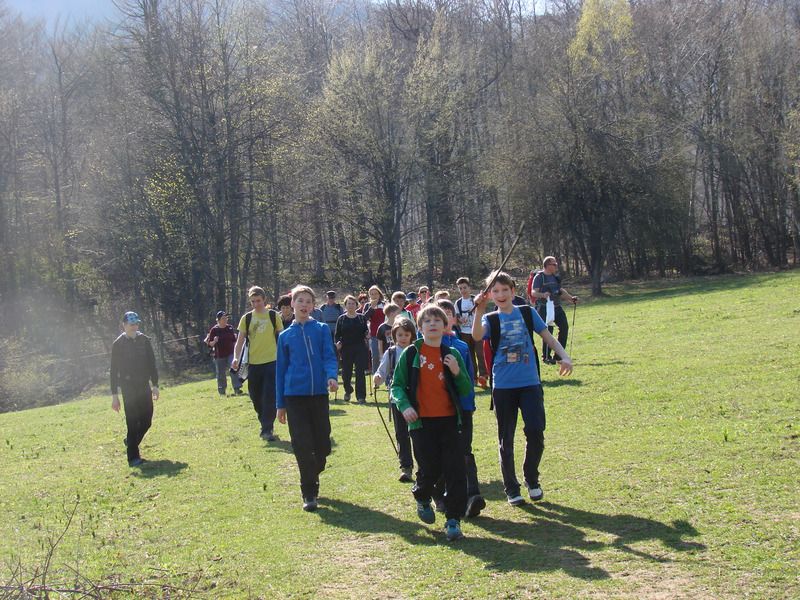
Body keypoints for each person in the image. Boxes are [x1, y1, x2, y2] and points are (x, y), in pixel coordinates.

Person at [472, 271, 573, 506]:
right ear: (489, 295)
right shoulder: (490, 319)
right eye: (495, 291)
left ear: (513, 291)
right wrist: (479, 309)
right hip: (504, 387)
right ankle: (511, 487)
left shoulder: (526, 313)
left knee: (536, 431)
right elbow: (477, 335)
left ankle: (532, 478)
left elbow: (548, 337)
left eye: (504, 290)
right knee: (506, 439)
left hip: (530, 384)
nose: (500, 295)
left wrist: (564, 356)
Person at [391, 305, 473, 542]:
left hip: (450, 422)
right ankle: (422, 496)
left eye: (438, 319)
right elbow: (397, 385)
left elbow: (466, 389)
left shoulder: (452, 354)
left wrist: (457, 372)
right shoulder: (410, 354)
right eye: (427, 321)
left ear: (445, 325)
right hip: (421, 423)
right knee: (430, 469)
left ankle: (453, 520)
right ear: (420, 327)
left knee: (455, 470)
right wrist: (405, 406)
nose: (433, 323)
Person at [276, 285, 339, 512]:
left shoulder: (321, 329)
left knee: (323, 445)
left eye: (308, 301)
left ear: (313, 306)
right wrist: (280, 404)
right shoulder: (284, 336)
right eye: (300, 301)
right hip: (294, 397)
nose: (304, 305)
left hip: (319, 395)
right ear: (292, 304)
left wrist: (331, 377)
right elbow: (280, 371)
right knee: (301, 445)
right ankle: (309, 492)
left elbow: (329, 356)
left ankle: (313, 471)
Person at [435, 299, 485, 518]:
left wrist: (469, 404)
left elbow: (468, 379)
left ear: (454, 319)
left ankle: (472, 495)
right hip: (435, 410)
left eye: (448, 314)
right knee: (439, 453)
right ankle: (439, 495)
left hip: (462, 409)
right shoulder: (422, 346)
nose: (443, 320)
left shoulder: (462, 347)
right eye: (438, 316)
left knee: (465, 451)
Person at [231, 286, 283, 441]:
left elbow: (281, 338)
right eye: (253, 301)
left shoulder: (273, 316)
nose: (256, 304)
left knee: (269, 396)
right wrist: (235, 357)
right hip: (253, 363)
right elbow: (239, 341)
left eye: (258, 301)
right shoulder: (246, 319)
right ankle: (264, 420)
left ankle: (267, 429)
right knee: (255, 396)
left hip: (272, 362)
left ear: (264, 299)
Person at [110, 311, 160, 467]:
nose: (134, 327)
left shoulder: (145, 341)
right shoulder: (117, 345)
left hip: (144, 385)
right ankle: (133, 458)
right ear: (124, 325)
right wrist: (114, 395)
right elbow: (113, 371)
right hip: (128, 388)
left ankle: (130, 442)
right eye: (131, 324)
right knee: (132, 422)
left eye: (136, 324)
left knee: (146, 420)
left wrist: (155, 385)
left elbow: (152, 363)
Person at [372, 317, 417, 483]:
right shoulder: (390, 352)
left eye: (406, 334)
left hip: (416, 398)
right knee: (401, 434)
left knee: (418, 433)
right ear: (394, 336)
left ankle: (425, 464)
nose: (403, 338)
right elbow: (382, 371)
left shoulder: (417, 350)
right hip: (397, 399)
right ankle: (406, 467)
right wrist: (378, 377)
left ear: (412, 335)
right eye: (400, 335)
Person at [527, 257, 578, 364]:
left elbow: (560, 291)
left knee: (564, 328)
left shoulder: (556, 277)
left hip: (557, 307)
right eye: (554, 264)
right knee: (548, 332)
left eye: (556, 264)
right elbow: (533, 293)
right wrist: (543, 295)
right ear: (547, 265)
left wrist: (571, 298)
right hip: (544, 308)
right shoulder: (539, 277)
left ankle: (559, 356)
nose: (556, 266)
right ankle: (546, 357)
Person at [335, 295, 369, 403]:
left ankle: (361, 396)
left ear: (356, 305)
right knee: (346, 373)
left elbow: (366, 331)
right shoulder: (341, 319)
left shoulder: (361, 317)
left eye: (353, 303)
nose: (351, 306)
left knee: (360, 372)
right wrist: (337, 343)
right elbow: (337, 334)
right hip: (346, 348)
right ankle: (348, 390)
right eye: (348, 304)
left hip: (360, 347)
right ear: (345, 305)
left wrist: (367, 334)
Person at [455, 277, 488, 387]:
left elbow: (483, 312)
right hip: (465, 333)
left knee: (480, 354)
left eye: (465, 287)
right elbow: (457, 317)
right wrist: (460, 320)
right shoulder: (458, 303)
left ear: (469, 288)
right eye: (460, 288)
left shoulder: (476, 299)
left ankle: (483, 376)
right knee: (470, 355)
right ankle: (473, 377)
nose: (463, 290)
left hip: (477, 331)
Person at [204, 310, 243, 397]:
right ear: (218, 320)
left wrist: (236, 339)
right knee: (221, 373)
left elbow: (234, 340)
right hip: (219, 355)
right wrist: (214, 341)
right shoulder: (214, 330)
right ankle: (222, 391)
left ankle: (237, 388)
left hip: (230, 353)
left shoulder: (230, 328)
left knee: (234, 369)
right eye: (223, 318)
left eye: (226, 318)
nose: (225, 320)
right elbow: (209, 344)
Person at [361, 285, 386, 372]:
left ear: (379, 294)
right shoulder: (367, 306)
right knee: (375, 356)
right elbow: (364, 318)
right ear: (369, 296)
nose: (374, 296)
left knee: (386, 355)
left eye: (375, 293)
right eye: (372, 294)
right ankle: (376, 376)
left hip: (385, 334)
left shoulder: (384, 304)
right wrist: (372, 308)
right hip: (374, 334)